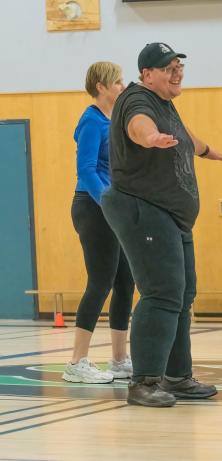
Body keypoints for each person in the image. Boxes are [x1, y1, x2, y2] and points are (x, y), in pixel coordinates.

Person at [101, 42, 222, 407]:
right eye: (167, 67)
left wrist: (205, 151)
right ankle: (143, 383)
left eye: (178, 65)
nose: (177, 72)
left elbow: (183, 132)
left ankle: (177, 376)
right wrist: (150, 138)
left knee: (182, 294)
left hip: (170, 215)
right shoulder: (137, 100)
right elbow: (138, 125)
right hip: (144, 208)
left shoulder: (165, 103)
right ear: (146, 74)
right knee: (161, 292)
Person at [63, 62, 135, 384]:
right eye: (117, 82)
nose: (122, 86)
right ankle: (77, 362)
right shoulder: (91, 121)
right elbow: (87, 171)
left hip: (111, 207)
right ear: (102, 87)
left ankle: (119, 360)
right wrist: (109, 203)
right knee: (101, 281)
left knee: (125, 282)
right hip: (93, 208)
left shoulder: (113, 120)